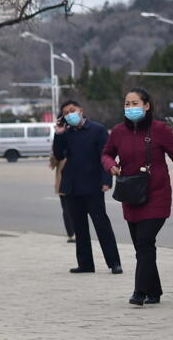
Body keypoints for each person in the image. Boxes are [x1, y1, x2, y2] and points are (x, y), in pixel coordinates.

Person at [102, 88, 173, 306]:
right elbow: (106, 153)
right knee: (142, 246)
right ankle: (154, 291)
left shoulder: (161, 130)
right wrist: (111, 166)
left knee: (145, 242)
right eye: (127, 104)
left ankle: (139, 291)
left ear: (146, 106)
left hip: (157, 195)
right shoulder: (118, 131)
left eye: (135, 103)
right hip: (131, 196)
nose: (130, 108)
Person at [52, 100, 122, 274]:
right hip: (72, 186)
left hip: (93, 186)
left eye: (72, 110)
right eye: (66, 113)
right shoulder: (66, 133)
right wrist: (58, 134)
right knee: (79, 227)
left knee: (101, 224)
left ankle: (114, 263)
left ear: (81, 110)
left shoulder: (97, 130)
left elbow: (105, 156)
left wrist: (106, 181)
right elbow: (59, 155)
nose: (70, 115)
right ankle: (85, 264)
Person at [48, 155, 76, 243]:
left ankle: (72, 234)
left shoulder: (61, 146)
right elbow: (52, 164)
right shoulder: (60, 146)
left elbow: (52, 164)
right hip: (66, 183)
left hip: (70, 183)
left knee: (68, 210)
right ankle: (71, 234)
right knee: (68, 210)